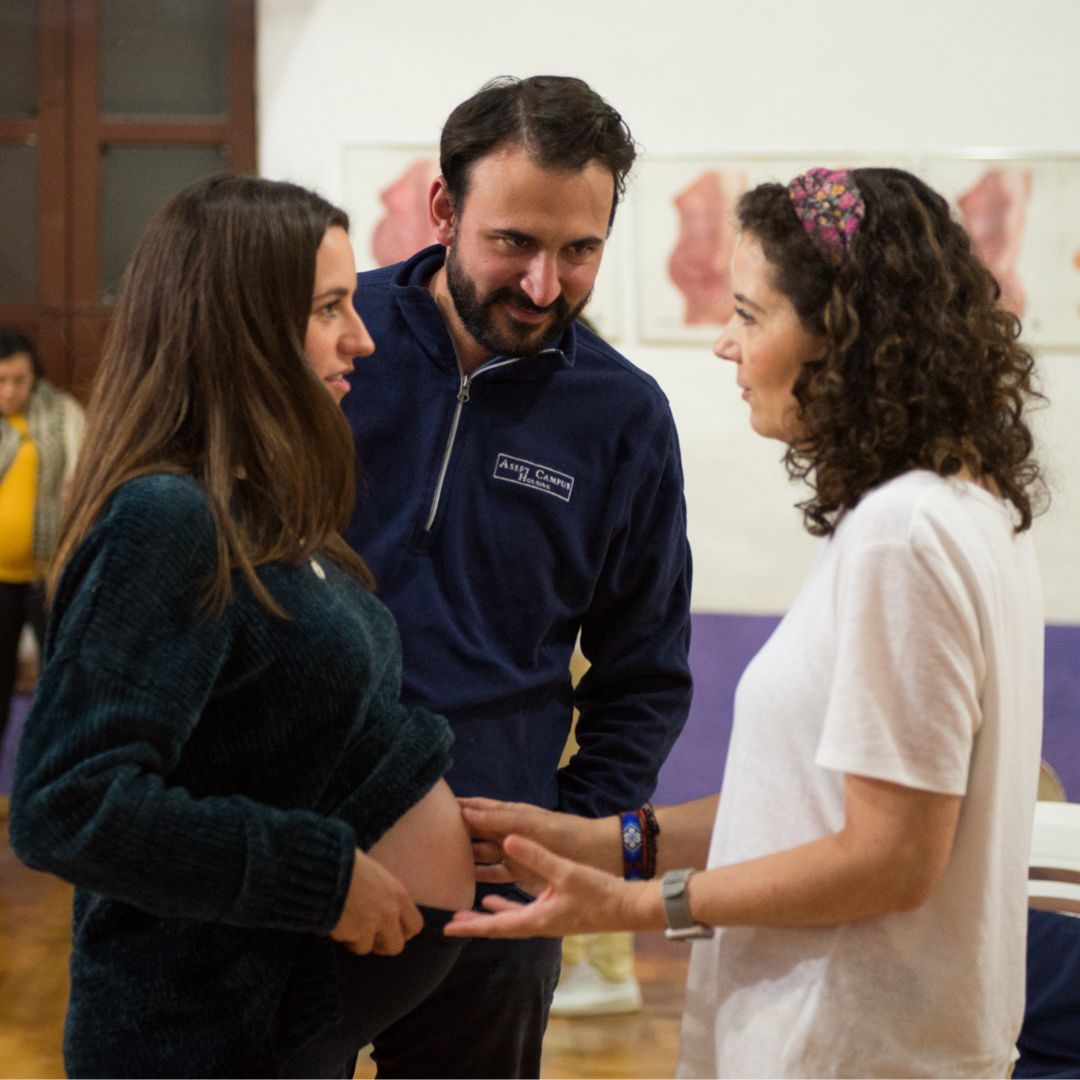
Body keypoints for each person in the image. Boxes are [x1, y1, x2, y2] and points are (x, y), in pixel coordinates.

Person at [448, 166, 1046, 1079]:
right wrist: (609, 843)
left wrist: (639, 907)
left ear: (845, 337)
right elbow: (815, 806)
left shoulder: (906, 533)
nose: (725, 342)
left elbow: (889, 859)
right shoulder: (963, 507)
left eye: (751, 314)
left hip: (851, 1047)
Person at [8, 175, 476, 1079]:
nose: (363, 337)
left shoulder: (264, 514)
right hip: (198, 1039)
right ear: (243, 329)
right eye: (329, 307)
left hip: (280, 1027)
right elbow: (67, 804)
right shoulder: (169, 520)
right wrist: (324, 878)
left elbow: (271, 746)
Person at [341, 75, 693, 1077]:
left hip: (491, 905)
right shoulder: (326, 347)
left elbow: (646, 673)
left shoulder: (622, 417)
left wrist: (573, 833)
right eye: (515, 244)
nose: (544, 286)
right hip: (296, 866)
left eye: (579, 251)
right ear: (443, 211)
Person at [0, 328, 84, 749]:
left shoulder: (61, 413)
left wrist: (77, 485)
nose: (10, 390)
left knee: (60, 682)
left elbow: (84, 469)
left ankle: (51, 783)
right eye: (0, 381)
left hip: (48, 574)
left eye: (19, 380)